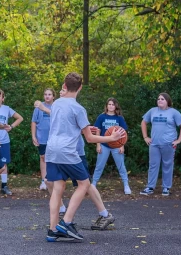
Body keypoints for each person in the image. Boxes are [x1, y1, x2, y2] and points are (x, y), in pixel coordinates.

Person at [44, 72, 125, 242]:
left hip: (52, 149)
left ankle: (52, 231)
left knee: (58, 188)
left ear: (64, 86)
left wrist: (86, 128)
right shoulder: (79, 109)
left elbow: (66, 125)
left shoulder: (56, 103)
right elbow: (89, 138)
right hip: (67, 151)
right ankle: (66, 222)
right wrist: (111, 138)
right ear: (80, 87)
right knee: (84, 183)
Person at [36, 89, 115, 232]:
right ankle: (60, 216)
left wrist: (43, 108)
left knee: (85, 184)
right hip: (61, 152)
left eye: (63, 90)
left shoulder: (70, 106)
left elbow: (79, 129)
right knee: (52, 182)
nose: (61, 92)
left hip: (75, 152)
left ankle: (104, 214)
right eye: (60, 90)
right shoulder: (59, 106)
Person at [140, 92, 181, 196]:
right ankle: (150, 187)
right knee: (153, 165)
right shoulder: (152, 111)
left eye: (162, 99)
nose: (159, 100)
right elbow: (143, 122)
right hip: (154, 144)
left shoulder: (173, 112)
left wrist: (178, 140)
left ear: (167, 101)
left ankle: (166, 188)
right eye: (158, 99)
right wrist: (146, 137)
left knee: (167, 165)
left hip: (168, 144)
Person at [91, 98, 131, 195]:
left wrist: (122, 145)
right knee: (99, 166)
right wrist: (98, 144)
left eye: (113, 104)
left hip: (117, 145)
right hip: (104, 145)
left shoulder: (119, 118)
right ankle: (93, 185)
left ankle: (126, 185)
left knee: (121, 166)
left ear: (116, 106)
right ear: (106, 106)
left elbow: (123, 133)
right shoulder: (102, 117)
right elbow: (98, 131)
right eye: (109, 104)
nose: (111, 106)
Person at [31, 88, 55, 191]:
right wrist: (33, 136)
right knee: (43, 158)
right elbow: (34, 122)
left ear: (53, 96)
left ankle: (54, 180)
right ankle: (43, 181)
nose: (47, 96)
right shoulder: (38, 107)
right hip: (42, 137)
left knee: (54, 159)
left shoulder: (56, 107)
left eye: (49, 94)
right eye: (45, 94)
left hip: (54, 138)